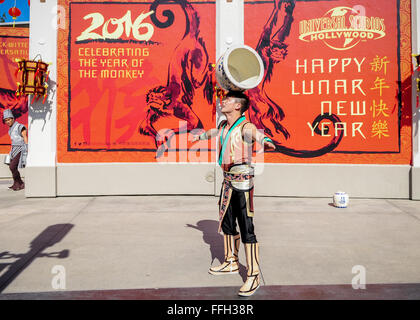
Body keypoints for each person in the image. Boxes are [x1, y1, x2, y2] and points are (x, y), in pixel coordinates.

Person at [193, 90, 275, 296]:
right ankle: (231, 261)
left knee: (247, 228)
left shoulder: (246, 126)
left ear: (238, 106)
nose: (223, 101)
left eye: (228, 100)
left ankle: (253, 274)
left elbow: (255, 135)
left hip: (243, 185)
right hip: (227, 182)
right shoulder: (223, 125)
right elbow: (216, 133)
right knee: (228, 223)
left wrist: (265, 141)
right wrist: (201, 135)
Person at [2, 109, 28, 191]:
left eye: (9, 119)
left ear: (13, 118)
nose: (8, 121)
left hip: (20, 148)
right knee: (12, 167)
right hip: (14, 148)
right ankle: (17, 183)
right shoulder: (10, 129)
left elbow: (25, 137)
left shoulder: (20, 126)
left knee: (12, 166)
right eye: (6, 120)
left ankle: (20, 182)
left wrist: (27, 148)